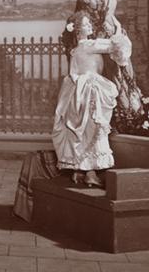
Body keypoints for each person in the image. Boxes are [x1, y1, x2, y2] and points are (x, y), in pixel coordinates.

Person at [73, 0, 144, 125]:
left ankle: (126, 120)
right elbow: (78, 22)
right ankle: (102, 122)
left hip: (113, 38)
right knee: (99, 79)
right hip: (95, 42)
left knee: (120, 75)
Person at [52, 11, 131, 187]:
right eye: (86, 24)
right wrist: (118, 29)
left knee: (83, 132)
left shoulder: (75, 50)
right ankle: (90, 174)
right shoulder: (89, 45)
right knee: (94, 130)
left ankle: (79, 171)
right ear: (77, 30)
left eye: (89, 23)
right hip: (91, 91)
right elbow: (115, 45)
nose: (90, 26)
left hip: (76, 92)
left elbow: (74, 73)